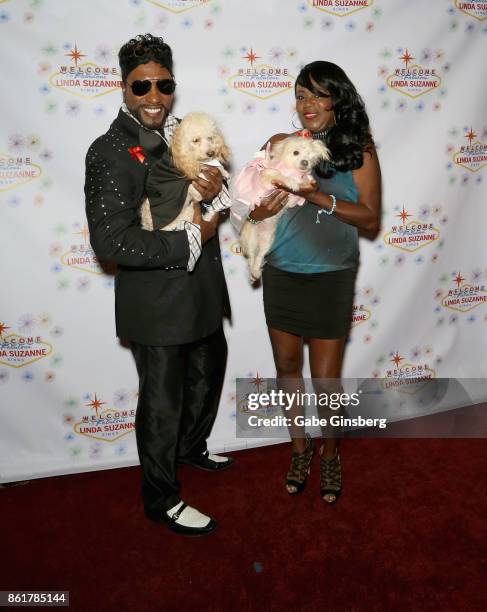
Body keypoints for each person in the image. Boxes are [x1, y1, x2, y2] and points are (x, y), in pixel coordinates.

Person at [84, 34, 233, 536]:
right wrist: (195, 235)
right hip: (156, 304)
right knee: (162, 403)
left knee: (208, 375)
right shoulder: (109, 151)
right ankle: (161, 498)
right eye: (141, 85)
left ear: (173, 86)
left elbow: (206, 200)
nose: (154, 95)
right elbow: (112, 243)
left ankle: (191, 449)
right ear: (124, 88)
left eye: (163, 84)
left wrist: (213, 195)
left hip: (201, 292)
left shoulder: (182, 135)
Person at [231, 61, 381, 503]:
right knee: (286, 367)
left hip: (332, 274)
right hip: (281, 271)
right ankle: (301, 448)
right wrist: (254, 212)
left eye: (318, 94)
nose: (308, 103)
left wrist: (317, 195)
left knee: (326, 379)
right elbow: (245, 204)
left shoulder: (360, 151)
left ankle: (330, 454)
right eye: (301, 94)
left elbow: (370, 218)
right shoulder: (277, 145)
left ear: (337, 100)